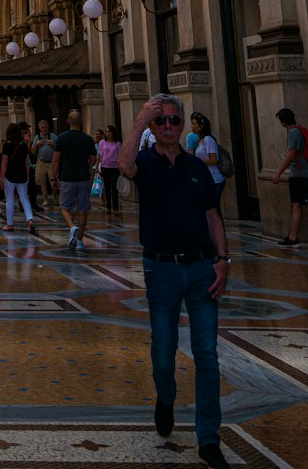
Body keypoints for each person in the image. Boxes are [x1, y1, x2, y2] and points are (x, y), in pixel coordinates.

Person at [119, 94, 230, 469]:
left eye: (174, 121)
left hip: (201, 269)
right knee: (163, 352)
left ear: (183, 125)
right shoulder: (146, 165)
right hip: (161, 269)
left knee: (207, 355)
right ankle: (165, 397)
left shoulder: (196, 167)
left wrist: (223, 261)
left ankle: (208, 438)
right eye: (161, 121)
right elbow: (124, 165)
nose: (168, 126)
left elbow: (213, 217)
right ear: (153, 126)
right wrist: (138, 120)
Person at [51, 109, 96, 250]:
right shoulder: (88, 139)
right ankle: (80, 242)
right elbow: (93, 159)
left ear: (68, 121)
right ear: (81, 121)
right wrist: (87, 167)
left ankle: (72, 226)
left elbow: (56, 159)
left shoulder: (62, 138)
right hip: (83, 178)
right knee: (82, 210)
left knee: (64, 207)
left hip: (67, 177)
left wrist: (53, 177)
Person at [272, 107, 308, 246]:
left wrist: (278, 173)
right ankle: (292, 237)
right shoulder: (300, 130)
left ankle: (293, 238)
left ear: (282, 121)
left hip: (300, 175)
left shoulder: (293, 132)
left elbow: (291, 154)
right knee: (296, 204)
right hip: (302, 173)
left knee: (297, 205)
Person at [0, 122, 35, 234]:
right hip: (22, 175)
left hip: (9, 175)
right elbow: (26, 163)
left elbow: (4, 162)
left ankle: (10, 224)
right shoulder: (24, 145)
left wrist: (1, 178)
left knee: (9, 199)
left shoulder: (7, 145)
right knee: (24, 198)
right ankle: (30, 219)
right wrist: (28, 175)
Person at [190, 114, 226, 209]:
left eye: (193, 124)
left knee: (214, 209)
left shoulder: (208, 139)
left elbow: (213, 159)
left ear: (200, 127)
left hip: (215, 179)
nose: (191, 126)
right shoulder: (200, 140)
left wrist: (199, 163)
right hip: (207, 179)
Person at [96, 125, 122, 215]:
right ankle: (108, 207)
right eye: (106, 132)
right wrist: (96, 167)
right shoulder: (102, 143)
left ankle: (116, 208)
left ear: (113, 133)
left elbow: (120, 156)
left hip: (114, 168)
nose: (107, 133)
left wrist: (121, 168)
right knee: (107, 188)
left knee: (114, 188)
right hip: (105, 167)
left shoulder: (118, 144)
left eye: (109, 132)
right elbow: (99, 155)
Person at [31, 120, 55, 207]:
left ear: (48, 127)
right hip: (41, 161)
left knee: (53, 179)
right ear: (39, 128)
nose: (44, 129)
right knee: (42, 181)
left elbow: (60, 150)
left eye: (45, 127)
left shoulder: (53, 136)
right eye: (42, 127)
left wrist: (54, 145)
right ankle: (45, 199)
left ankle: (55, 196)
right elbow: (32, 152)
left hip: (52, 162)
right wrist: (36, 145)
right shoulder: (37, 137)